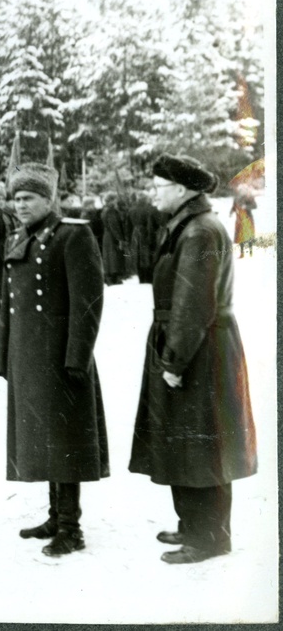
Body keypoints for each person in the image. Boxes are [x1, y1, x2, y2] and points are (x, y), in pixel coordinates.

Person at [129, 155, 257, 564]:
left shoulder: (199, 231)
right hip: (193, 345)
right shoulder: (190, 226)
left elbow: (192, 303)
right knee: (185, 442)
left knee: (203, 445)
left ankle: (211, 537)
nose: (153, 193)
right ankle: (193, 525)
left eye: (159, 186)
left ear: (181, 191)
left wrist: (174, 362)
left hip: (200, 350)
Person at [0, 163, 109, 557]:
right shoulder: (17, 238)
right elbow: (7, 304)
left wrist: (78, 356)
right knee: (44, 439)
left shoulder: (73, 235)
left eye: (28, 198)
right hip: (28, 358)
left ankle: (70, 527)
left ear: (48, 199)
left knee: (63, 441)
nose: (20, 205)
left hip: (61, 358)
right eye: (16, 199)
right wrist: (4, 359)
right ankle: (54, 515)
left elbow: (88, 302)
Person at [128, 189, 162, 284]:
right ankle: (149, 278)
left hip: (135, 233)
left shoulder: (132, 209)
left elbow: (128, 225)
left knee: (138, 256)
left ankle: (141, 278)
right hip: (147, 232)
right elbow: (157, 222)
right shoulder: (151, 209)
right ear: (146, 198)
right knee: (148, 255)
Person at [100, 192, 128, 285]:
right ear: (112, 200)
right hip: (112, 236)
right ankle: (114, 278)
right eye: (115, 199)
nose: (117, 201)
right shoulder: (111, 211)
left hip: (106, 235)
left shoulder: (104, 210)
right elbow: (114, 226)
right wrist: (120, 239)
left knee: (108, 256)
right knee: (114, 257)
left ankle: (109, 278)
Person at [230, 183, 257, 258]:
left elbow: (254, 206)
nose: (241, 191)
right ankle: (242, 253)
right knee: (240, 236)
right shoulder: (236, 197)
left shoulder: (249, 196)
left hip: (247, 218)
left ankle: (250, 251)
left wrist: (246, 206)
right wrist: (231, 211)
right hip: (239, 219)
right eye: (240, 189)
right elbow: (234, 205)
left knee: (248, 235)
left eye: (243, 189)